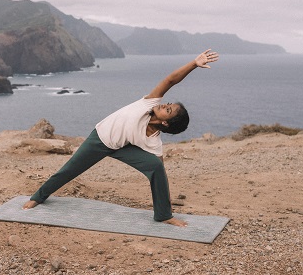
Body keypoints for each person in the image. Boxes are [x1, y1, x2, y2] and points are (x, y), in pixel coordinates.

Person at [22, 49, 219, 227]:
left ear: (166, 123)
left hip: (122, 147)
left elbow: (160, 175)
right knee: (69, 170)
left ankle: (163, 215)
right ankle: (38, 197)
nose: (163, 105)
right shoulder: (147, 104)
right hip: (100, 138)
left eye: (168, 110)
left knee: (157, 167)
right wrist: (194, 64)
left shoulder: (153, 141)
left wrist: (166, 200)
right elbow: (170, 80)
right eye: (167, 103)